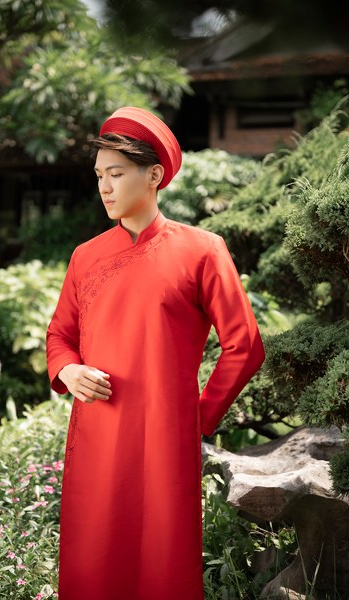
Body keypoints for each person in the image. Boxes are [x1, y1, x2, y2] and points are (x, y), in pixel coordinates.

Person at [46, 106, 265, 600]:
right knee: (94, 559)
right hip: (97, 433)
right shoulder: (85, 256)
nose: (104, 187)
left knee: (163, 561)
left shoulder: (202, 250)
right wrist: (70, 370)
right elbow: (59, 336)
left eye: (116, 174)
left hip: (164, 438)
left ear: (154, 175)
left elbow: (245, 345)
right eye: (99, 175)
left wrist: (198, 416)